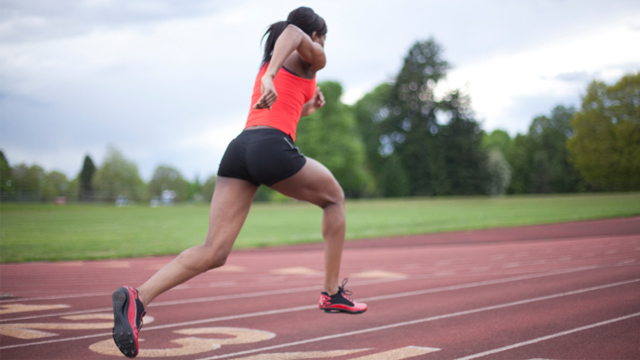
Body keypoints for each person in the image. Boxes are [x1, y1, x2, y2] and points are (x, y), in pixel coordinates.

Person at [111, 7, 367, 358]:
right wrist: (272, 77)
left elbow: (288, 106)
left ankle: (137, 297)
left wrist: (309, 104)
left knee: (214, 251)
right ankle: (332, 292)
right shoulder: (311, 55)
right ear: (317, 34)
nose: (322, 45)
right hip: (270, 147)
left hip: (240, 150)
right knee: (334, 198)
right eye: (322, 38)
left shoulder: (272, 64)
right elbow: (292, 31)